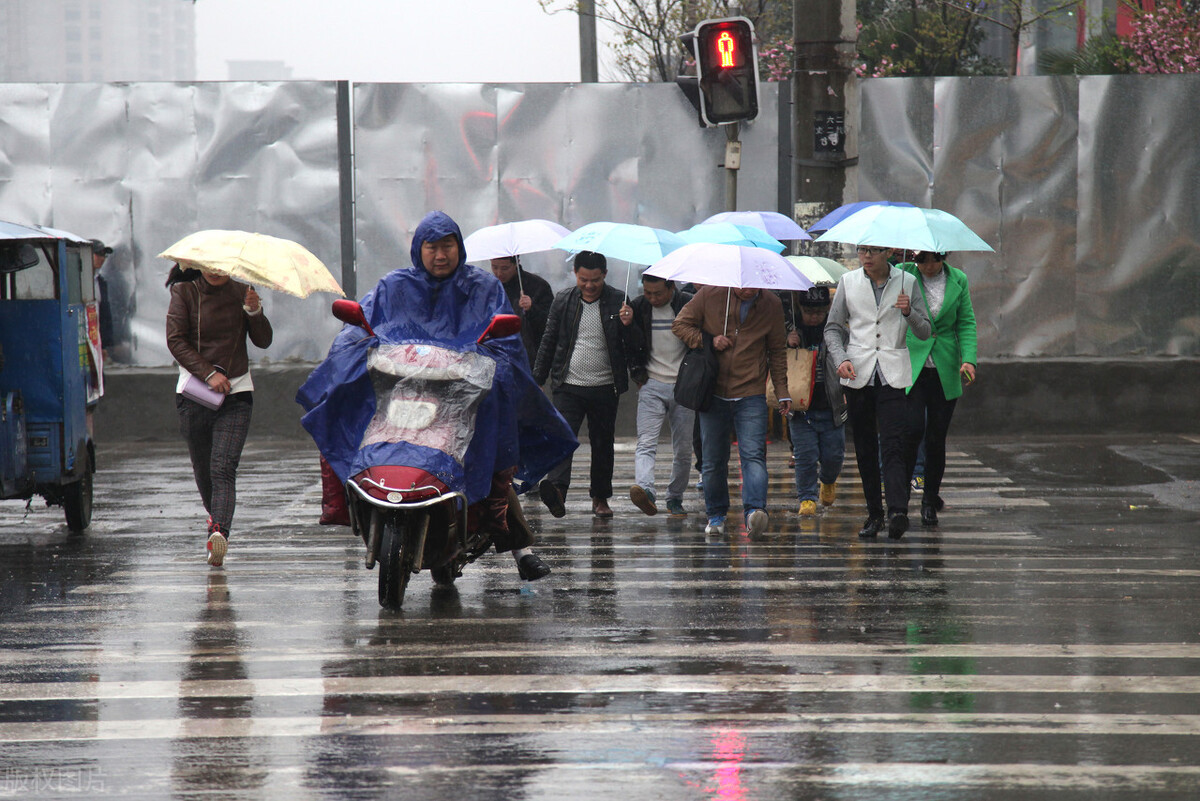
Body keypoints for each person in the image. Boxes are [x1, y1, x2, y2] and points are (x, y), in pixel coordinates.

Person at [298, 211, 574, 582]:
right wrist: (357, 352)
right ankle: (347, 504)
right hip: (397, 395)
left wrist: (488, 369)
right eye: (433, 247)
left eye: (448, 246)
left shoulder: (484, 288)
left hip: (462, 399)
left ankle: (518, 545)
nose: (441, 255)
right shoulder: (393, 287)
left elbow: (506, 344)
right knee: (341, 415)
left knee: (490, 446)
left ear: (459, 248)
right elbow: (358, 328)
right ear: (418, 249)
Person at [166, 264, 273, 567]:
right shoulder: (184, 292)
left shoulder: (243, 292)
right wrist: (208, 373)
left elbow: (263, 340)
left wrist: (254, 312)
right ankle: (216, 517)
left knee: (223, 467)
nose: (215, 270)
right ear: (198, 265)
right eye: (208, 265)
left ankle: (219, 531)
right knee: (203, 470)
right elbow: (175, 340)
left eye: (221, 265)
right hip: (194, 394)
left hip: (236, 393)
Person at [825, 245, 931, 540]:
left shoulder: (907, 282)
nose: (867, 257)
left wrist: (909, 311)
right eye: (862, 251)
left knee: (894, 443)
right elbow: (832, 328)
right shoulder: (848, 282)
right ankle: (874, 513)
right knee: (865, 447)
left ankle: (897, 510)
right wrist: (841, 358)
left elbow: (924, 331)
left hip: (893, 373)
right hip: (858, 374)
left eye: (873, 251)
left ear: (887, 253)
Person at [672, 284, 790, 539]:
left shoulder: (771, 304)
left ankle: (755, 512)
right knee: (713, 460)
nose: (748, 290)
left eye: (754, 286)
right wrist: (709, 341)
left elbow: (777, 350)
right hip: (713, 391)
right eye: (742, 286)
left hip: (751, 392)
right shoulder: (710, 294)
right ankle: (715, 514)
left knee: (754, 456)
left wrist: (782, 390)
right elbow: (680, 325)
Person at [533, 251, 638, 519]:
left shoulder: (619, 301)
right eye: (583, 279)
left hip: (605, 386)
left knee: (602, 443)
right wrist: (537, 379)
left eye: (595, 280)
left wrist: (629, 324)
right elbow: (548, 340)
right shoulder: (563, 300)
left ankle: (600, 498)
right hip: (568, 385)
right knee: (562, 438)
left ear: (604, 275)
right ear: (575, 275)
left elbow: (632, 346)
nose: (589, 286)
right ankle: (557, 490)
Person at [899, 250, 978, 526]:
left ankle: (930, 499)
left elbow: (966, 322)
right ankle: (899, 501)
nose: (928, 266)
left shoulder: (959, 280)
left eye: (934, 260)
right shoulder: (904, 273)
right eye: (922, 260)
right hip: (912, 363)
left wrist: (969, 359)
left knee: (935, 438)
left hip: (944, 365)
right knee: (910, 430)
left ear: (943, 257)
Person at [623, 274, 694, 517]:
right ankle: (645, 490)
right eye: (647, 292)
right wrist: (628, 325)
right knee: (646, 442)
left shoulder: (688, 304)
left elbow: (698, 342)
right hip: (651, 384)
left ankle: (675, 497)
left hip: (683, 386)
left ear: (671, 287)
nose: (652, 298)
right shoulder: (636, 307)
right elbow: (630, 346)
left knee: (683, 449)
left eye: (658, 293)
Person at [782, 285, 847, 517]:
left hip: (832, 405)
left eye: (819, 312)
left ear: (828, 309)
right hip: (802, 409)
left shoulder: (836, 331)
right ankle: (807, 497)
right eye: (809, 312)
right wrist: (787, 341)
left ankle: (828, 481)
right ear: (800, 308)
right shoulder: (791, 330)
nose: (813, 317)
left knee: (834, 455)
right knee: (805, 456)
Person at [490, 255, 554, 364]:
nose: (499, 273)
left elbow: (551, 324)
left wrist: (532, 309)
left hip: (528, 357)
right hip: (497, 354)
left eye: (505, 268)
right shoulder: (490, 287)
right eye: (494, 267)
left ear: (516, 263)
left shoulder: (538, 286)